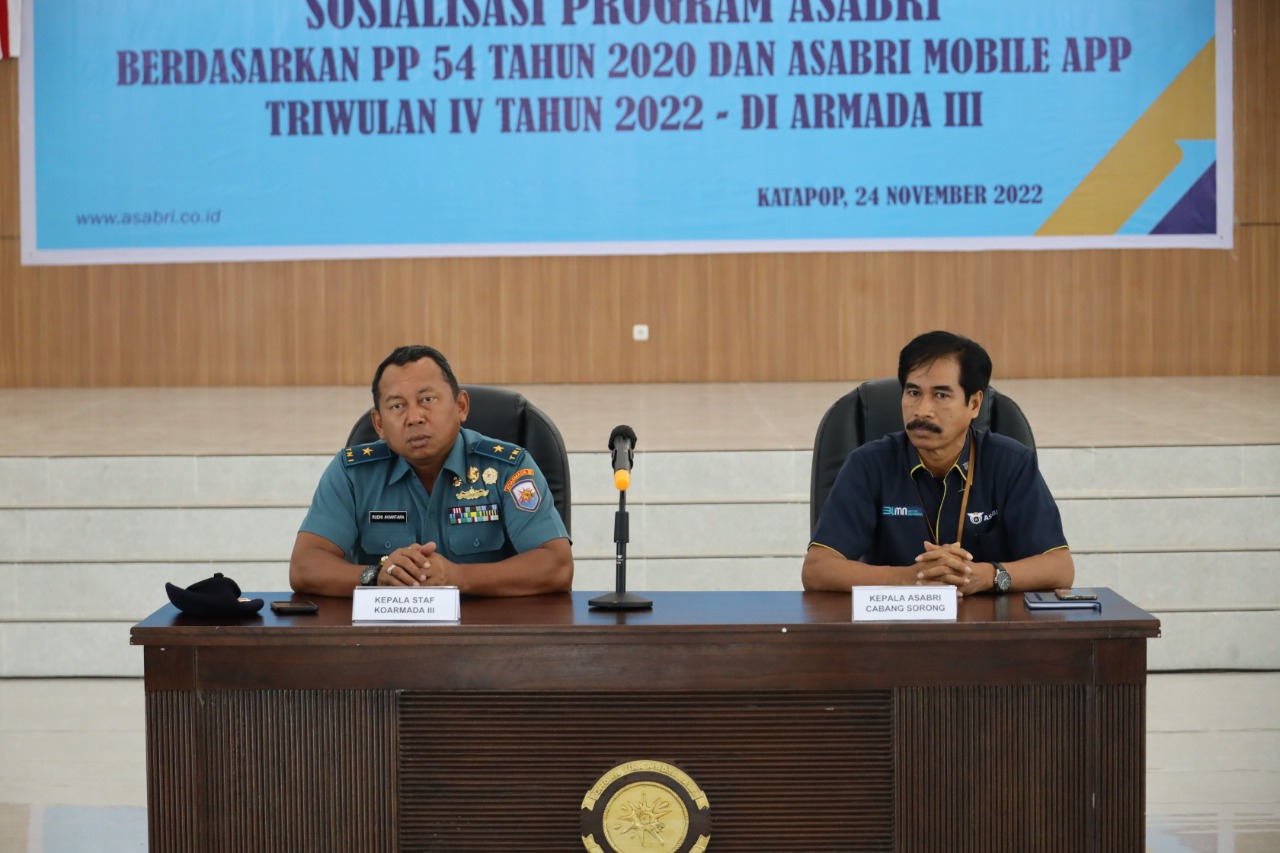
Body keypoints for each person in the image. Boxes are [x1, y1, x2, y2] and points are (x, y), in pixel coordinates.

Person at [803, 331, 1073, 596]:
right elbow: (817, 569)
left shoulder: (1010, 463)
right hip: (894, 619)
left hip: (987, 620)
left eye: (941, 395)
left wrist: (986, 576)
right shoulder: (868, 464)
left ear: (974, 404)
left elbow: (1059, 568)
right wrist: (910, 579)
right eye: (913, 393)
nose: (922, 410)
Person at [289, 345, 573, 597]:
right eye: (397, 406)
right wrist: (377, 576)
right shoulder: (353, 473)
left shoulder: (507, 467)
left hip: (489, 632)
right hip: (387, 631)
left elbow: (556, 565)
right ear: (379, 424)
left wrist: (459, 578)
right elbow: (304, 566)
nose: (414, 418)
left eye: (427, 400)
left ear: (460, 406)